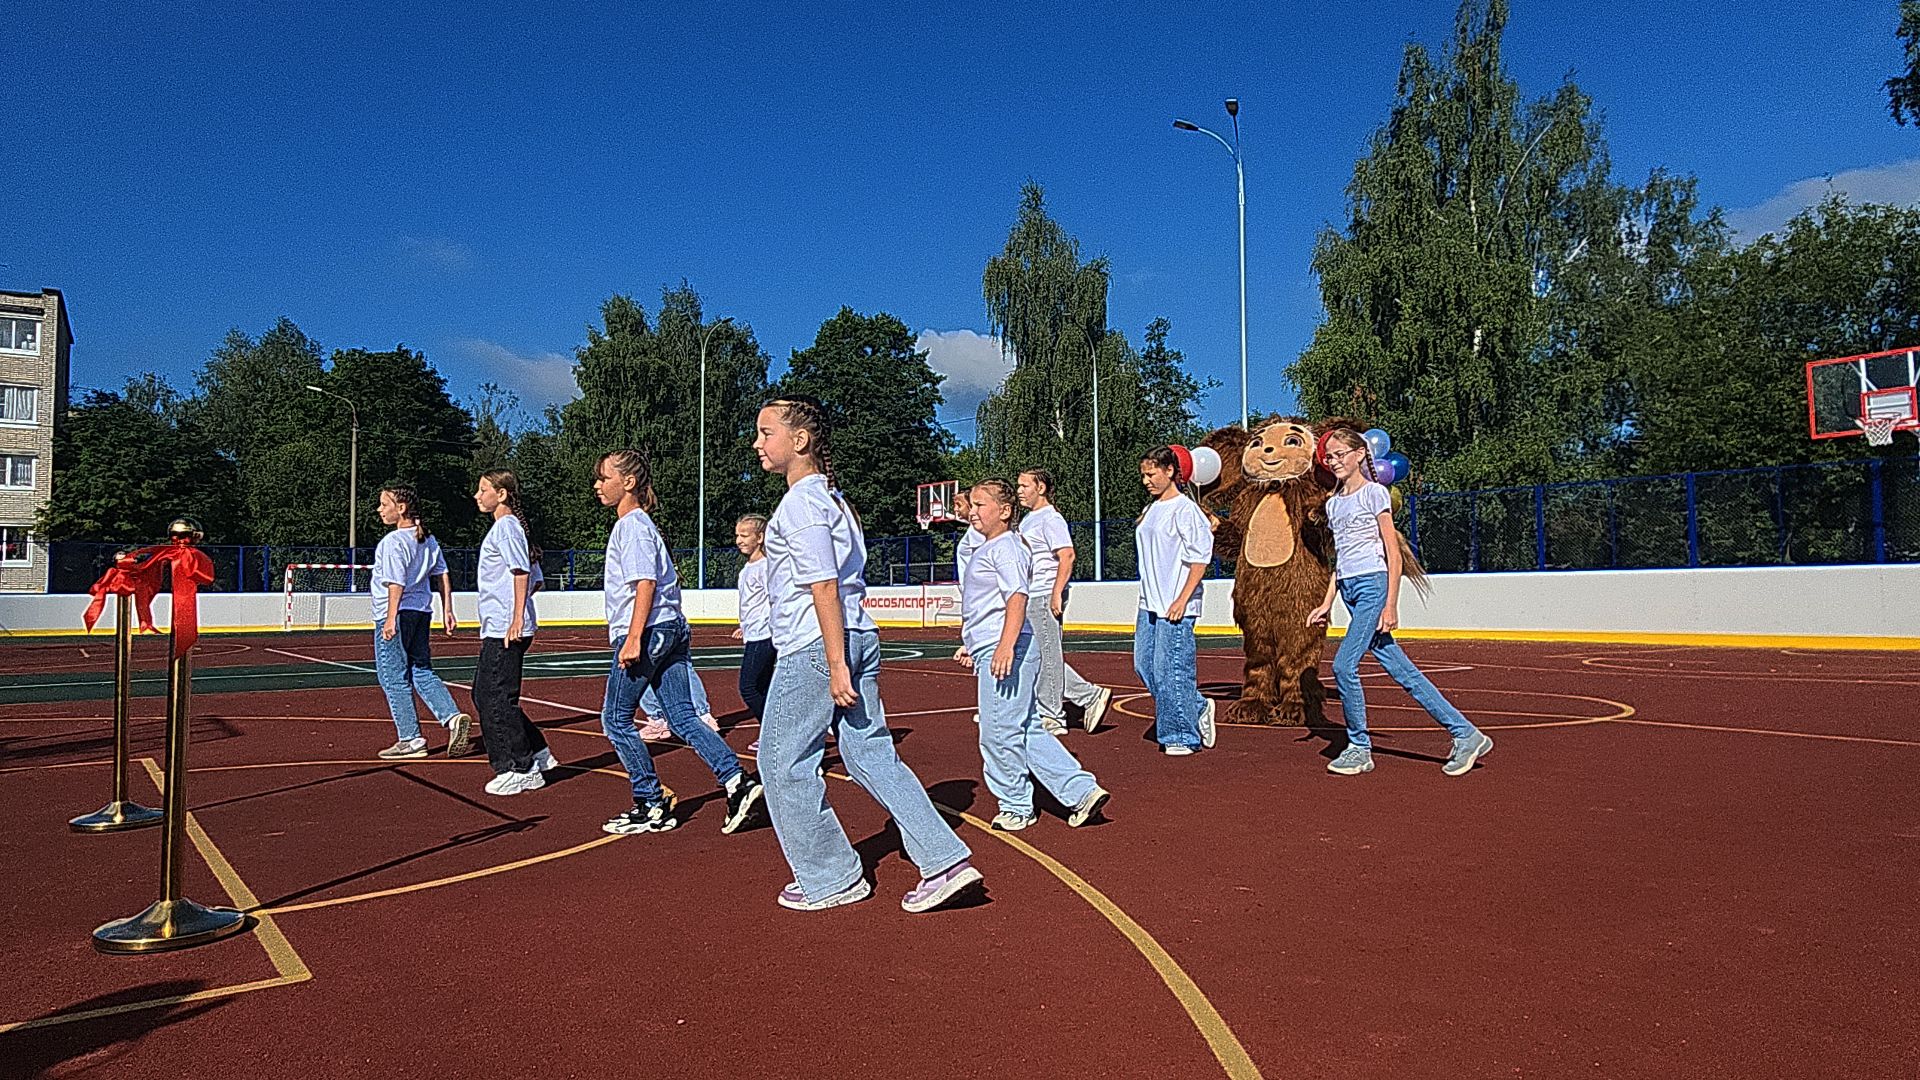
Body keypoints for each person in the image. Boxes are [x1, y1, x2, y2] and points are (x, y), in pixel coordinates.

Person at [754, 395, 982, 912]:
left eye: (767, 432)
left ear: (801, 440)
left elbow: (824, 587)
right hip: (858, 635)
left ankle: (830, 877)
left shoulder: (803, 505)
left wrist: (835, 664)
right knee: (870, 754)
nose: (758, 443)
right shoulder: (836, 502)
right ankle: (946, 861)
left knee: (782, 762)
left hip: (818, 644)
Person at [592, 449, 765, 835]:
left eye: (605, 478)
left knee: (616, 720)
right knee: (682, 716)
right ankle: (737, 782)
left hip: (649, 630)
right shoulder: (641, 526)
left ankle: (649, 801)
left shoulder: (631, 526)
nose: (598, 485)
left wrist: (634, 637)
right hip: (669, 629)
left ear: (629, 482)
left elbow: (645, 584)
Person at [1308, 428, 1492, 776]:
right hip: (1349, 587)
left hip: (1374, 586)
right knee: (1402, 670)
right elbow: (1340, 559)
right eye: (1328, 457)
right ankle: (1465, 733)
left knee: (1344, 666)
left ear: (1360, 453)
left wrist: (1390, 603)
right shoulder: (1334, 504)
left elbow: (1393, 554)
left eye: (1339, 454)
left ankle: (1359, 747)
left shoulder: (1375, 495)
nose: (1333, 461)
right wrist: (1327, 601)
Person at [957, 478, 1109, 832]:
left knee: (998, 733)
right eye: (973, 504)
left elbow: (1016, 598)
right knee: (1023, 727)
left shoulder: (1005, 548)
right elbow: (987, 605)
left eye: (981, 505)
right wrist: (975, 642)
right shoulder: (991, 547)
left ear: (1005, 511)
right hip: (995, 643)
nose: (973, 511)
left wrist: (1005, 645)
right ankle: (1081, 791)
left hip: (1007, 647)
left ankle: (1016, 806)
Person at [370, 484, 473, 759]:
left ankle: (410, 738)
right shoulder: (427, 539)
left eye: (384, 504)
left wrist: (391, 618)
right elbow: (443, 574)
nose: (380, 509)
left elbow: (396, 583)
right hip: (421, 612)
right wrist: (447, 610)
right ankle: (452, 717)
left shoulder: (392, 543)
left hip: (397, 612)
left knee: (393, 677)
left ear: (401, 508)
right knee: (421, 669)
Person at [472, 469, 557, 795]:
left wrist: (515, 617)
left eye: (483, 490)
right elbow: (534, 577)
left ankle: (520, 767)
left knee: (496, 697)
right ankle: (537, 752)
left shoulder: (507, 527)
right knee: (483, 693)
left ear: (502, 494)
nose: (478, 496)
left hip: (505, 627)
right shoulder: (508, 528)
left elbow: (522, 573)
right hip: (499, 624)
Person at [1133, 446, 1216, 756]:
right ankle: (1195, 706)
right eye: (1143, 475)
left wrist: (1183, 598)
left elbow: (1199, 559)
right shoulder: (1152, 510)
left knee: (1172, 670)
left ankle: (1180, 735)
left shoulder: (1186, 510)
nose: (1146, 480)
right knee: (1145, 665)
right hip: (1149, 603)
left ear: (1169, 472)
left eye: (1151, 474)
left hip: (1175, 604)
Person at [1016, 468, 1112, 735]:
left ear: (1041, 488)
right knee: (1037, 656)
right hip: (1032, 594)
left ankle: (1053, 715)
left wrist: (1057, 592)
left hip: (1045, 593)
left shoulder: (1051, 519)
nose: (1020, 491)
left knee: (1047, 654)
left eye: (1025, 485)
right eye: (1019, 486)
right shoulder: (1028, 521)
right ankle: (1089, 696)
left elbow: (1067, 555)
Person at [733, 513, 775, 754]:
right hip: (754, 632)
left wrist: (769, 626)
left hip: (764, 635)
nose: (739, 540)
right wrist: (744, 625)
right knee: (764, 687)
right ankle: (772, 734)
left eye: (744, 535)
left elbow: (774, 599)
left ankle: (773, 733)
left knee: (748, 687)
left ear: (760, 538)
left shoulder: (766, 567)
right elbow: (752, 603)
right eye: (737, 535)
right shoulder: (748, 568)